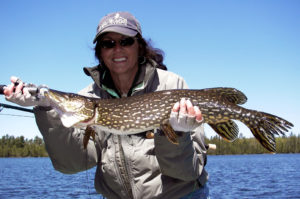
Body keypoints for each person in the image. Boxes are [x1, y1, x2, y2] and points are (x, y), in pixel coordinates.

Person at [4, 11, 209, 199]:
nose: (117, 49)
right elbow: (70, 164)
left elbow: (188, 172)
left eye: (126, 41)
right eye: (108, 43)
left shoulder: (172, 85)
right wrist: (45, 107)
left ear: (139, 46)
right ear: (100, 52)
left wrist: (178, 135)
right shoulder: (89, 97)